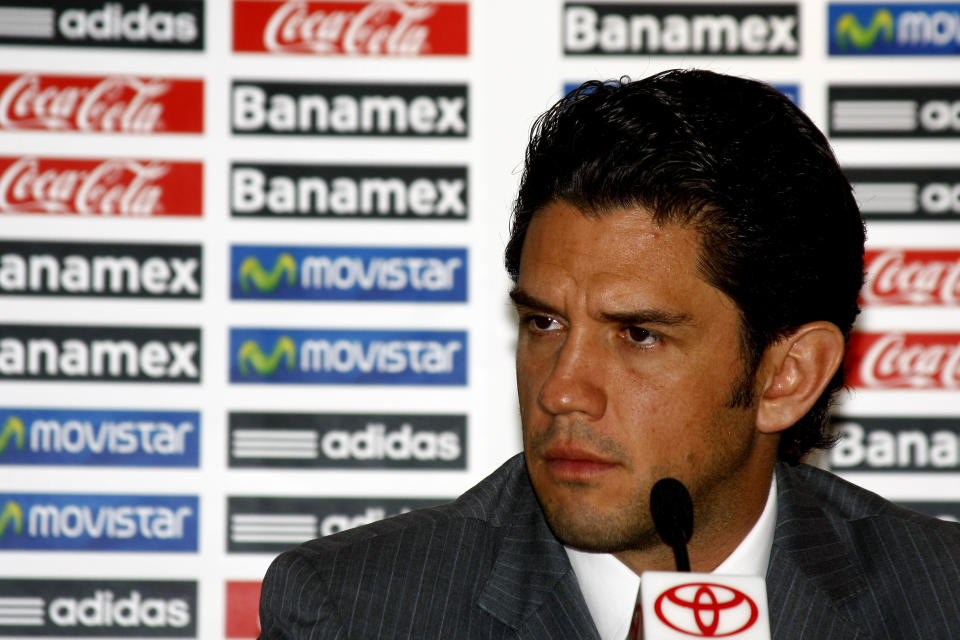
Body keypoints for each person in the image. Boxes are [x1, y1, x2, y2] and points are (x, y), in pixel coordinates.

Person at [257, 69, 960, 639]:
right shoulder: (352, 614)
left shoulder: (940, 601)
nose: (561, 391)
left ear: (787, 375)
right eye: (544, 324)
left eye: (638, 335)